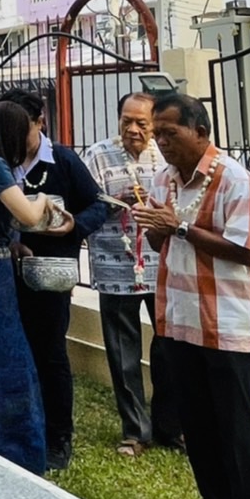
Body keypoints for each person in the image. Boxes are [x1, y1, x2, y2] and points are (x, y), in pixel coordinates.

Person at [133, 94, 250, 499]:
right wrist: (154, 225)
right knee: (198, 423)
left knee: (238, 429)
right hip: (179, 319)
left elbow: (247, 251)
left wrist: (178, 227)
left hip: (226, 324)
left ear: (201, 132)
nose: (161, 141)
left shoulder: (234, 178)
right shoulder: (164, 179)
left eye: (170, 133)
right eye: (157, 133)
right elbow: (161, 241)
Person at [0, 88, 107, 472]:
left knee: (50, 354)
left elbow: (98, 205)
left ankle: (58, 437)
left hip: (50, 275)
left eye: (22, 130)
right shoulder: (0, 160)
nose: (15, 138)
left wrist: (74, 226)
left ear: (39, 122)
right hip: (5, 275)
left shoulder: (62, 160)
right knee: (13, 353)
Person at [81, 92, 182, 457]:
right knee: (122, 352)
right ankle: (135, 431)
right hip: (115, 265)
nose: (133, 130)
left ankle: (170, 427)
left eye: (142, 123)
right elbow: (85, 202)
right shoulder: (97, 155)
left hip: (162, 266)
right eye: (127, 121)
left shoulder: (166, 155)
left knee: (169, 349)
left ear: (155, 124)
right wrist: (116, 202)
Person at [0, 101, 75, 475]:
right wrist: (43, 200)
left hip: (0, 266)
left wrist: (13, 243)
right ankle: (12, 447)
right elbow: (26, 214)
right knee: (5, 360)